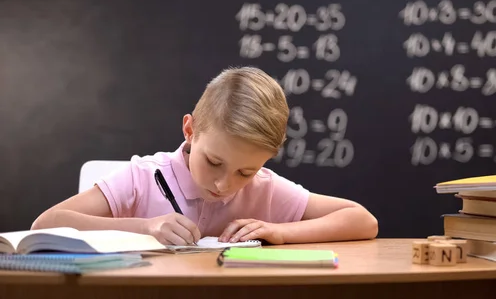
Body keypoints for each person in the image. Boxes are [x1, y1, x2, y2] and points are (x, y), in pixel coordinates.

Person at [31, 66, 378, 246]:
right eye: (214, 162)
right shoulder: (144, 177)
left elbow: (363, 220)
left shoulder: (264, 187)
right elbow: (45, 224)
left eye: (245, 171)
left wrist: (281, 231)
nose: (224, 184)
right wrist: (145, 227)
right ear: (190, 131)